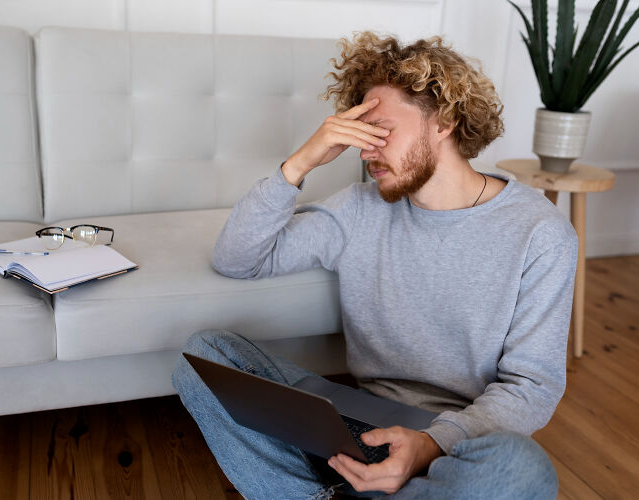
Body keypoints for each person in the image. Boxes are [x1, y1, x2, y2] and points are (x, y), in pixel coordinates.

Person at [172, 32, 577, 500]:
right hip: (356, 424)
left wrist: (430, 444)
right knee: (202, 355)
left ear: (444, 120)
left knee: (521, 469)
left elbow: (531, 388)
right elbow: (237, 260)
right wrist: (300, 164)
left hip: (456, 442)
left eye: (380, 130)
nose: (366, 152)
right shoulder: (358, 210)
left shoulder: (539, 232)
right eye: (359, 135)